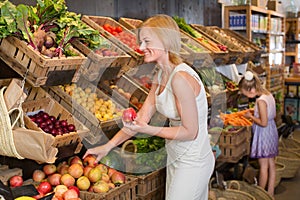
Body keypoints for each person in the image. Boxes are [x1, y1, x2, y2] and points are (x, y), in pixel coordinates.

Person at [83, 14, 215, 200]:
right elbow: (141, 119)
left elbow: (190, 131)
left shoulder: (180, 79)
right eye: (141, 41)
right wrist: (107, 146)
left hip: (193, 161)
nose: (141, 47)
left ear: (165, 41)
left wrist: (148, 130)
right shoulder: (161, 75)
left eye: (147, 41)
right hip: (176, 157)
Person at [239, 71, 278, 197]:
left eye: (244, 93)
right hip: (272, 132)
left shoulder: (260, 101)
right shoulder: (268, 95)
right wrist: (255, 113)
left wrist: (251, 116)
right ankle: (270, 193)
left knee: (263, 166)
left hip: (264, 134)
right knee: (271, 164)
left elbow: (263, 122)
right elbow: (272, 115)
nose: (245, 96)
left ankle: (259, 195)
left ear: (250, 90)